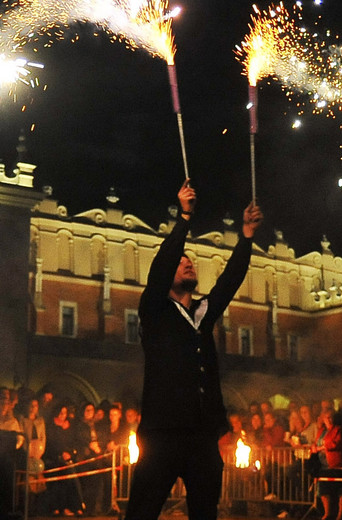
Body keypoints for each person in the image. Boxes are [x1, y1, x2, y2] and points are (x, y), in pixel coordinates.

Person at [124, 179, 262, 520]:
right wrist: (184, 218)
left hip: (201, 436)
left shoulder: (202, 312)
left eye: (190, 262)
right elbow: (159, 269)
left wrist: (245, 237)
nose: (188, 264)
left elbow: (229, 281)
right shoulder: (154, 310)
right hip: (162, 435)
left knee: (205, 513)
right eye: (180, 262)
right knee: (142, 513)